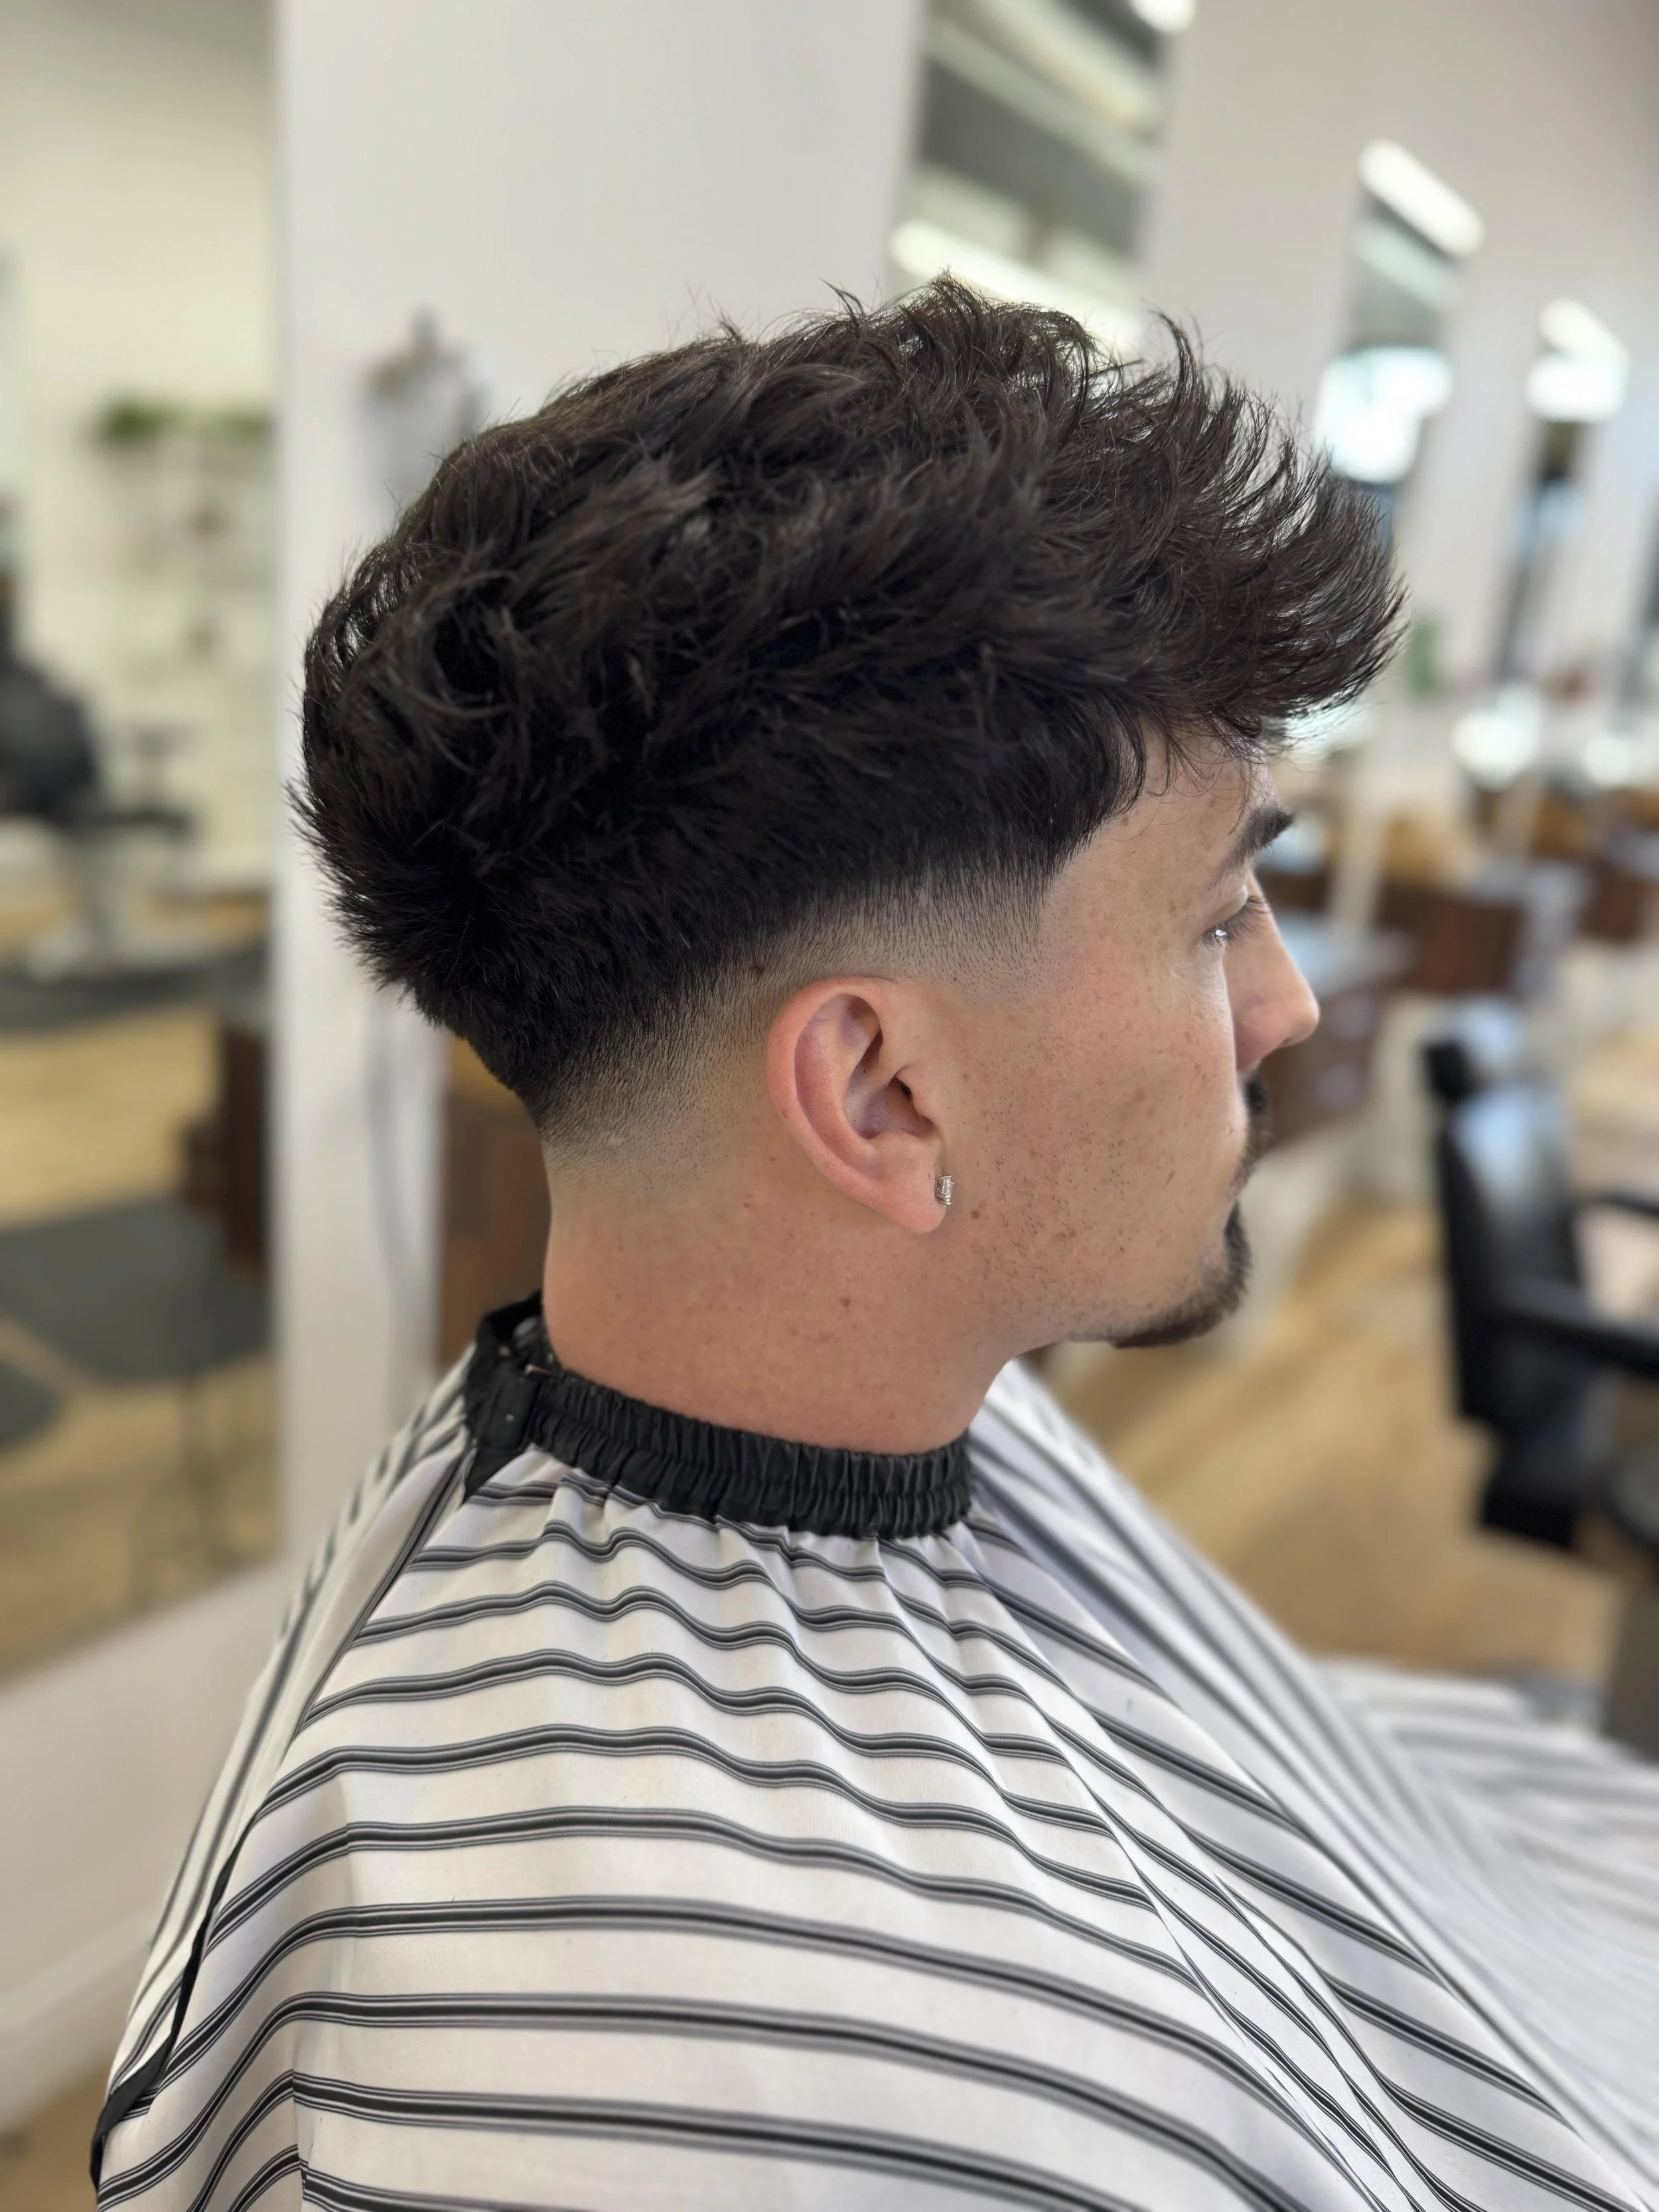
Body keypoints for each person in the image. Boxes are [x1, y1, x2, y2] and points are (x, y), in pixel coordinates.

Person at [94, 283, 1658, 2211]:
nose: (1285, 1008)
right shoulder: (621, 2065)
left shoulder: (890, 1411)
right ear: (884, 1093)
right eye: (1215, 915)